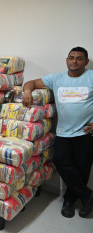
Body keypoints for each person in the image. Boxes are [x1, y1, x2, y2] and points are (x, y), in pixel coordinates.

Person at [22, 47, 93, 218]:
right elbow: (30, 82)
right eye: (71, 57)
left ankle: (70, 200)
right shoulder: (57, 78)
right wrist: (27, 91)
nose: (74, 61)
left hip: (85, 134)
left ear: (86, 62)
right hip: (63, 133)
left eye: (79, 58)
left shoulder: (91, 77)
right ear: (67, 60)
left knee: (82, 170)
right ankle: (87, 195)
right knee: (60, 161)